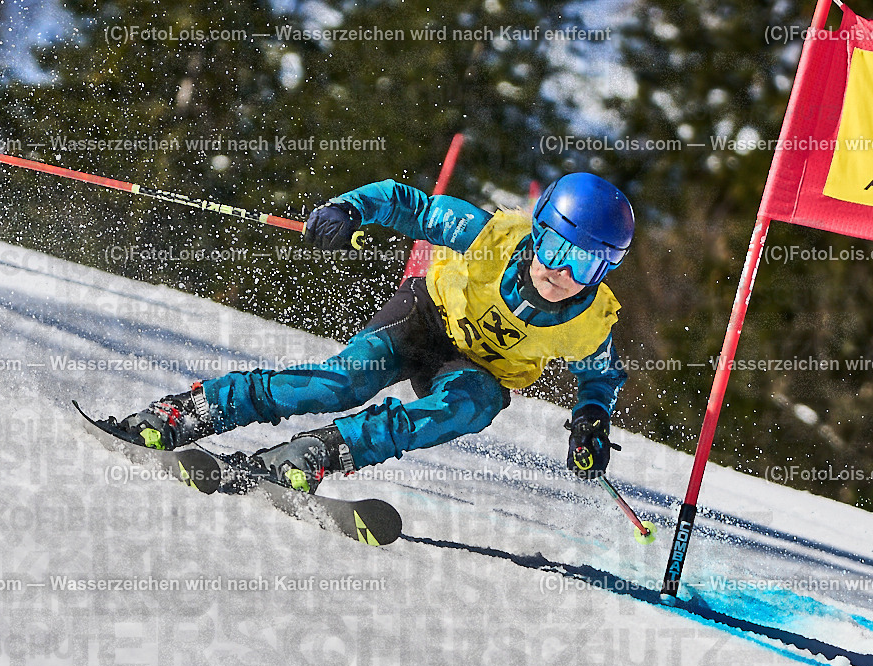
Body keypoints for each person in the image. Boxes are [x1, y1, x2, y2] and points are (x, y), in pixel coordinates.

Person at [111, 172, 634, 493]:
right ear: (538, 228)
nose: (562, 272)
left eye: (585, 265)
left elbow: (599, 377)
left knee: (470, 407)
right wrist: (348, 208)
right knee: (342, 384)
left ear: (605, 270)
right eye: (556, 248)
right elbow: (411, 205)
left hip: (477, 371)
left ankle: (318, 453)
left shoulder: (590, 323)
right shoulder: (490, 236)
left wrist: (591, 418)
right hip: (425, 317)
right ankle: (194, 411)